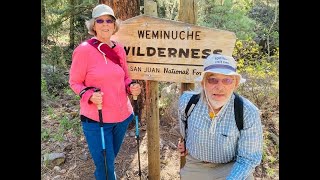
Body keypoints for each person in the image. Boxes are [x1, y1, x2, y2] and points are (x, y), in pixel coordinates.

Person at [68, 4, 141, 180]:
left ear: (114, 25)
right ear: (93, 25)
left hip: (122, 117)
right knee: (107, 167)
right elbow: (74, 82)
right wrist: (89, 95)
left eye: (109, 20)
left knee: (107, 162)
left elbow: (125, 77)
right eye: (100, 20)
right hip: (96, 119)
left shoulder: (118, 49)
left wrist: (131, 86)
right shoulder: (84, 50)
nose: (105, 24)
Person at [177, 53, 263, 180]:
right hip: (196, 165)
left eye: (227, 80)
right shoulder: (187, 102)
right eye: (212, 79)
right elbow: (183, 125)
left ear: (235, 83)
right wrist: (185, 142)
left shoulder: (248, 112)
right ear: (203, 83)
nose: (220, 87)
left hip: (232, 167)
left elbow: (248, 159)